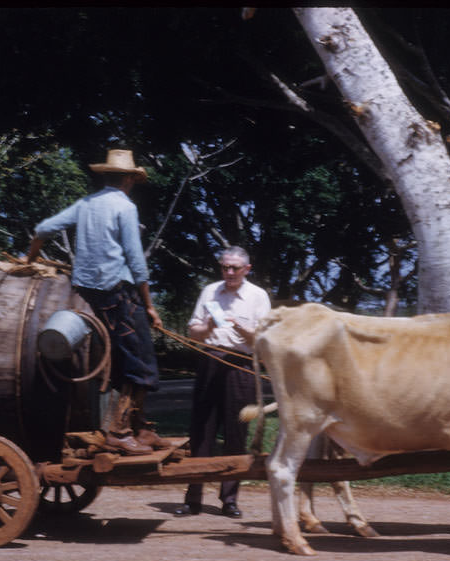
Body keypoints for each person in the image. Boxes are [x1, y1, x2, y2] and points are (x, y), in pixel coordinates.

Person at [26, 148, 169, 456]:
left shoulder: (85, 204)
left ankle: (140, 427)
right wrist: (150, 305)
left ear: (106, 176)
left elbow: (43, 229)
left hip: (91, 295)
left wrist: (31, 258)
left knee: (123, 359)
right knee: (142, 363)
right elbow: (135, 260)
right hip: (119, 293)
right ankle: (118, 432)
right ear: (130, 179)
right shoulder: (125, 207)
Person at [175, 246, 271, 518]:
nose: (229, 273)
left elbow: (263, 341)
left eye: (235, 268)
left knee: (236, 431)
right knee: (201, 430)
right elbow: (194, 332)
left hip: (240, 366)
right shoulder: (210, 291)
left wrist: (241, 328)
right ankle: (193, 498)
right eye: (225, 267)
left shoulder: (257, 296)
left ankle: (229, 499)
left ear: (247, 270)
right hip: (210, 359)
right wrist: (208, 328)